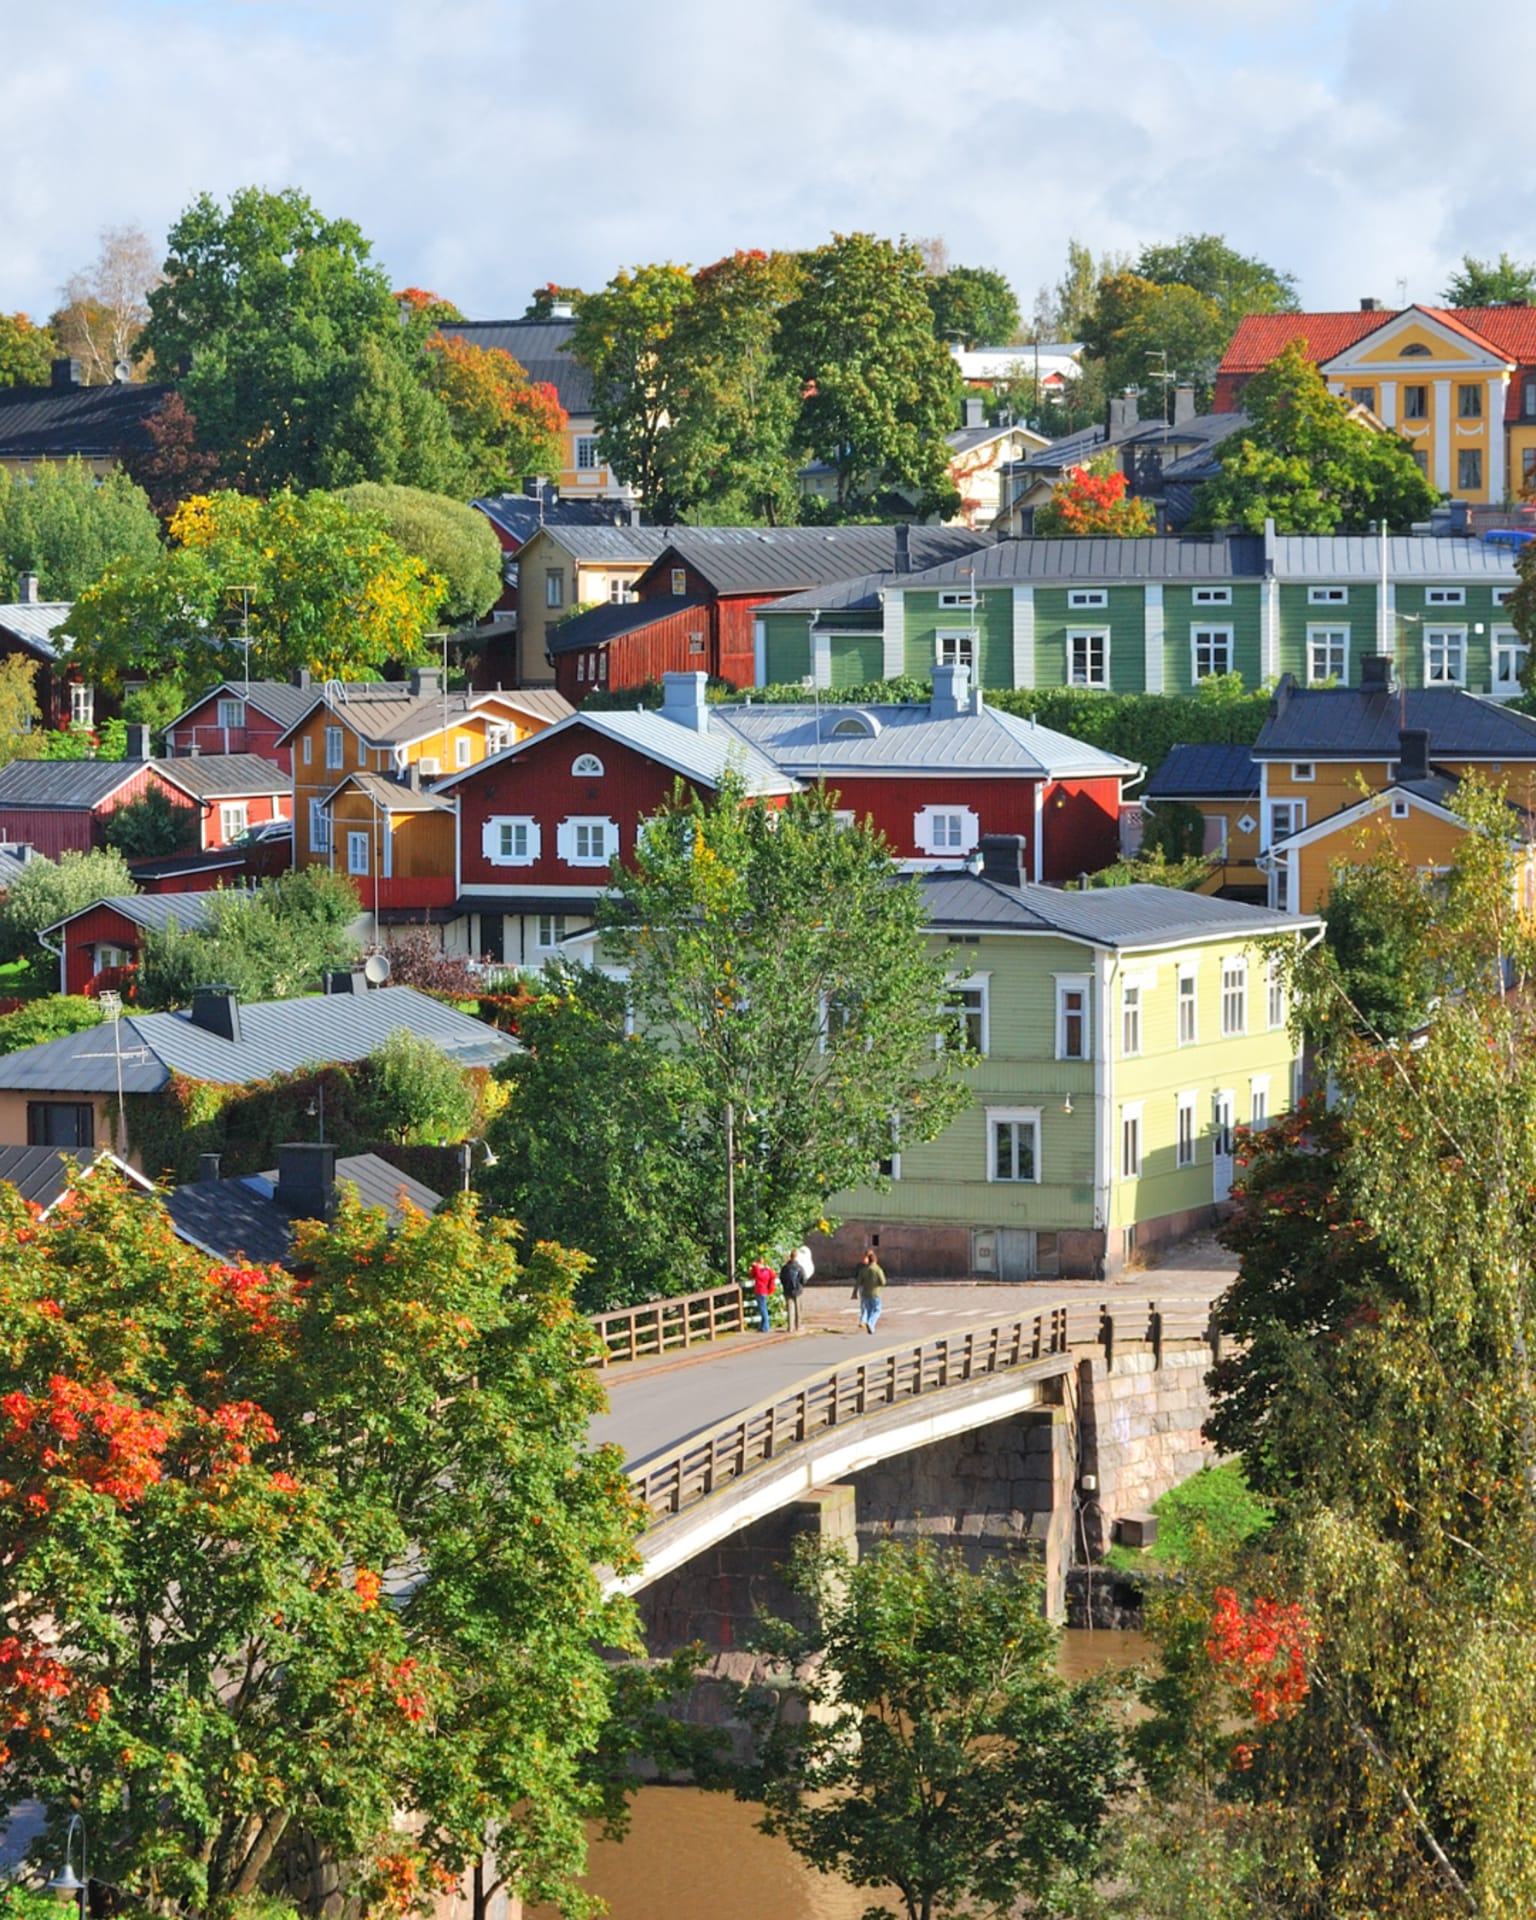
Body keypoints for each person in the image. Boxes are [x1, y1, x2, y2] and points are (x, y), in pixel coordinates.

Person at [853, 1248, 886, 1335]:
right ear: (876, 1260)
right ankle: (870, 1323)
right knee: (877, 1310)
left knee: (867, 1309)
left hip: (865, 1293)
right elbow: (883, 1282)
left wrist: (854, 1293)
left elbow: (858, 1282)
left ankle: (865, 1321)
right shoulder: (878, 1269)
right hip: (875, 1293)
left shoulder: (863, 1270)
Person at [779, 1250, 806, 1333]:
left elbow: (781, 1278)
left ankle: (790, 1327)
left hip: (787, 1290)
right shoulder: (799, 1267)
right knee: (798, 1309)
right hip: (797, 1290)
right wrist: (800, 1286)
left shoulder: (785, 1267)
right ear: (796, 1257)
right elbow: (803, 1279)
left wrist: (785, 1286)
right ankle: (798, 1326)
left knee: (790, 1309)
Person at [749, 1254, 777, 1332]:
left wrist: (755, 1267)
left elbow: (759, 1276)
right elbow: (751, 1275)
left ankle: (766, 1327)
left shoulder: (764, 1271)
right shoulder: (767, 1270)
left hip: (760, 1290)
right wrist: (754, 1269)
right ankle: (762, 1326)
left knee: (763, 1309)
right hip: (763, 1290)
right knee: (763, 1308)